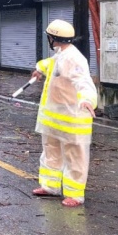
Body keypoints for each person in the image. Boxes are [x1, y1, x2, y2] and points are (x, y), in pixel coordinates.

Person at [30, 19, 97, 207]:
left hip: (72, 117)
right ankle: (50, 186)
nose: (48, 40)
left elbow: (84, 81)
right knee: (51, 151)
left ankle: (75, 194)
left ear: (54, 38)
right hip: (54, 116)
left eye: (49, 37)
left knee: (75, 156)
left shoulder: (75, 58)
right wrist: (38, 69)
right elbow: (51, 64)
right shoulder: (61, 54)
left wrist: (87, 99)